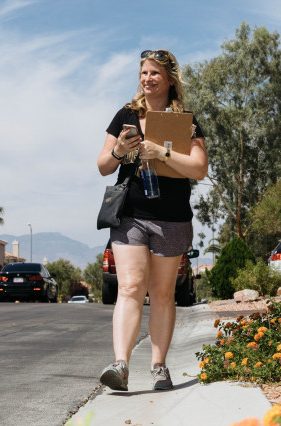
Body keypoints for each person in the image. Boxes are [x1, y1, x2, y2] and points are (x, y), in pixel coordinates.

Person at [96, 49, 208, 391]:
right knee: (130, 287)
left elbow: (200, 169)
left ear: (170, 79)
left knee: (161, 293)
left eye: (155, 73)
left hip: (171, 218)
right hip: (130, 214)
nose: (147, 79)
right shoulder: (126, 116)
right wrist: (120, 152)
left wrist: (162, 153)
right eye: (144, 73)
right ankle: (122, 365)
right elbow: (102, 165)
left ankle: (159, 366)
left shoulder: (185, 121)